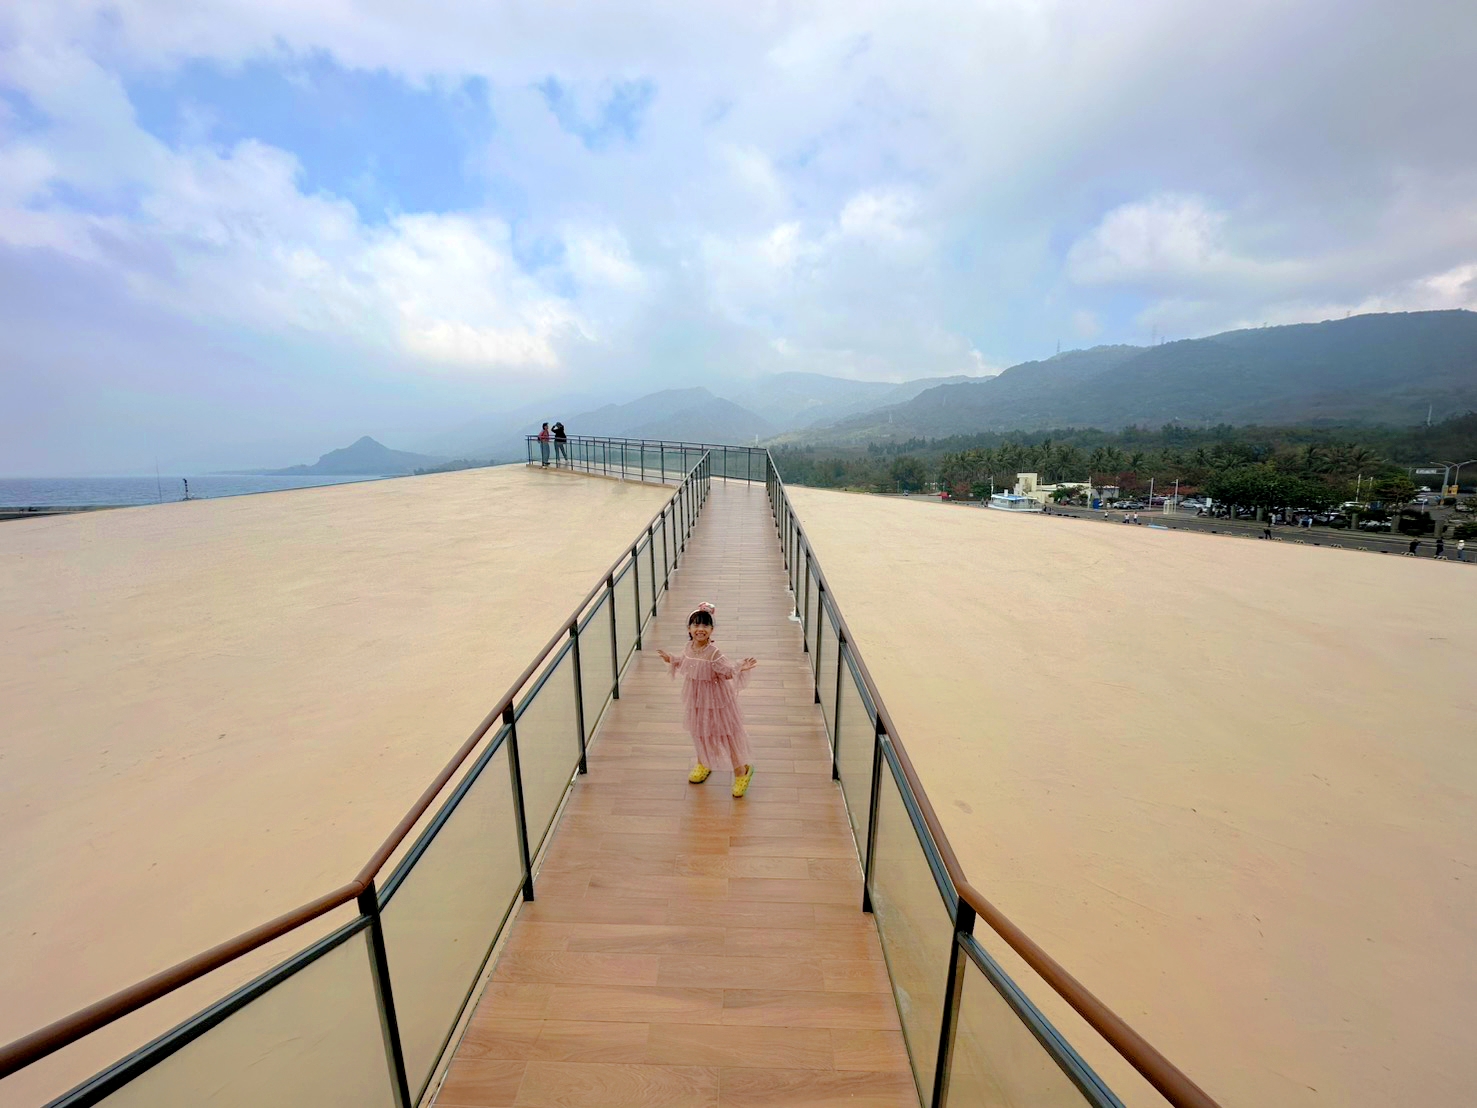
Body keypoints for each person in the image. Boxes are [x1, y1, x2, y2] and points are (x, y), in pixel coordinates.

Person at [656, 603, 759, 797]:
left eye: (705, 626)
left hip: (717, 701)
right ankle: (704, 761)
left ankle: (742, 771)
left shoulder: (714, 653)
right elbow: (685, 661)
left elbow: (727, 671)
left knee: (726, 734)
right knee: (700, 731)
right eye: (696, 625)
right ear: (689, 629)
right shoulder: (689, 647)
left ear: (711, 630)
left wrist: (739, 668)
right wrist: (671, 659)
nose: (700, 629)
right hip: (696, 699)